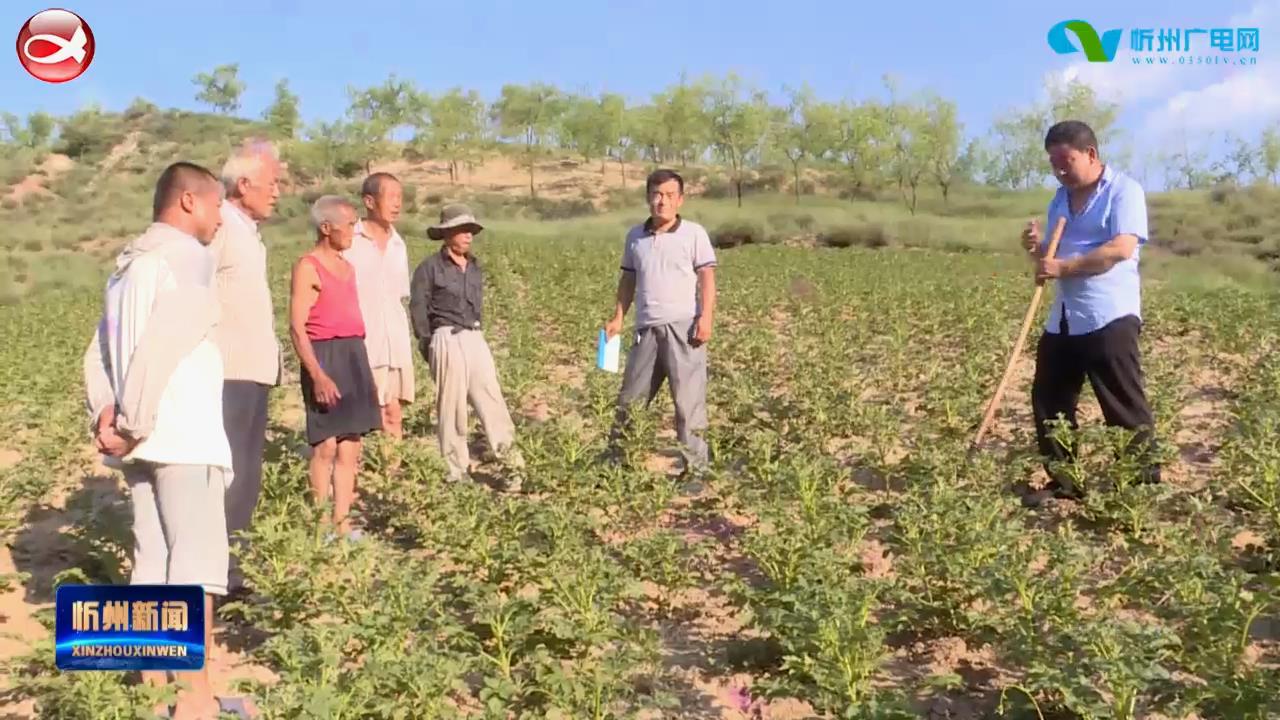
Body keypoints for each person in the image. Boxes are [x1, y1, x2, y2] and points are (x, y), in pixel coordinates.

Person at [83, 162, 236, 719]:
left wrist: (107, 413)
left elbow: (98, 352)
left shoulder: (128, 266)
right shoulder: (188, 257)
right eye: (217, 204)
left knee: (151, 567)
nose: (222, 217)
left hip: (143, 445)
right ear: (190, 201)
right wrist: (132, 421)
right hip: (181, 435)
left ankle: (154, 700)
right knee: (194, 575)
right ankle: (197, 709)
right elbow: (167, 338)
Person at [1021, 120, 1161, 506]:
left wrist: (1063, 268)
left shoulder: (1124, 191)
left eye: (1066, 160)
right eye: (1053, 163)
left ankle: (1140, 489)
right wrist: (1037, 249)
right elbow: (1052, 255)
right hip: (1065, 316)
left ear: (1091, 154)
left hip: (1109, 314)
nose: (1060, 169)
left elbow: (1119, 249)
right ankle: (1066, 482)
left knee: (1122, 402)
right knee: (1050, 400)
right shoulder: (1059, 200)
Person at [603, 169, 718, 479]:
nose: (661, 201)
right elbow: (628, 278)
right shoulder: (635, 237)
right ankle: (617, 464)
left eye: (669, 195)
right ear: (647, 198)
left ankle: (696, 470)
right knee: (631, 398)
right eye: (656, 194)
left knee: (688, 402)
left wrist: (705, 318)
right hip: (646, 328)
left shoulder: (693, 234)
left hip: (684, 329)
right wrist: (618, 317)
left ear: (680, 200)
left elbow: (707, 277)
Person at [409, 204, 524, 490]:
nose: (468, 236)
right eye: (462, 230)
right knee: (451, 407)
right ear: (446, 234)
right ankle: (456, 472)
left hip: (474, 336)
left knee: (492, 401)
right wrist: (429, 344)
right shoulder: (429, 268)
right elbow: (418, 308)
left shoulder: (474, 267)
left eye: (470, 230)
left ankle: (513, 468)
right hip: (445, 337)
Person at [209, 138, 281, 589]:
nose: (277, 192)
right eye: (272, 183)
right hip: (228, 372)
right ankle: (220, 574)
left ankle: (233, 569)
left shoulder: (249, 235)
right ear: (243, 184)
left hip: (253, 372)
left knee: (248, 472)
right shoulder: (220, 229)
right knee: (231, 474)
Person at [289, 196, 381, 538]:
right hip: (324, 355)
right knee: (325, 444)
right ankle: (321, 523)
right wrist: (317, 374)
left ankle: (343, 522)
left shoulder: (348, 267)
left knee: (350, 443)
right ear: (326, 228)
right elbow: (297, 327)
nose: (353, 232)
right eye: (348, 226)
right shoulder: (308, 266)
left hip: (353, 353)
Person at [344, 172, 415, 439]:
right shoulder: (350, 240)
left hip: (394, 343)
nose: (397, 203)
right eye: (391, 197)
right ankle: (358, 477)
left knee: (393, 414)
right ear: (369, 201)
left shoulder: (399, 244)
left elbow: (399, 297)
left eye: (400, 197)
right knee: (359, 419)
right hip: (363, 343)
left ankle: (391, 476)